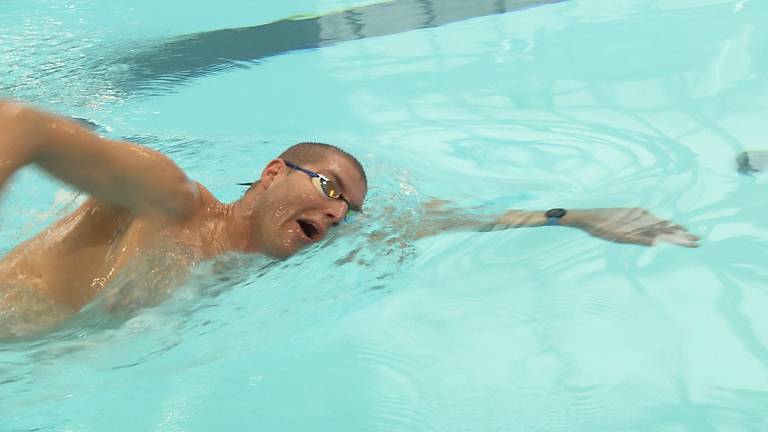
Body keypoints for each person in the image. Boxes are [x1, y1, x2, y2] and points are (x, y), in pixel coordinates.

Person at [0, 100, 699, 332]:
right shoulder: (166, 196)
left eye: (347, 214)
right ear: (274, 172)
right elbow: (24, 127)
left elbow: (446, 221)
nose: (336, 216)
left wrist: (574, 215)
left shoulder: (265, 258)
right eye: (330, 190)